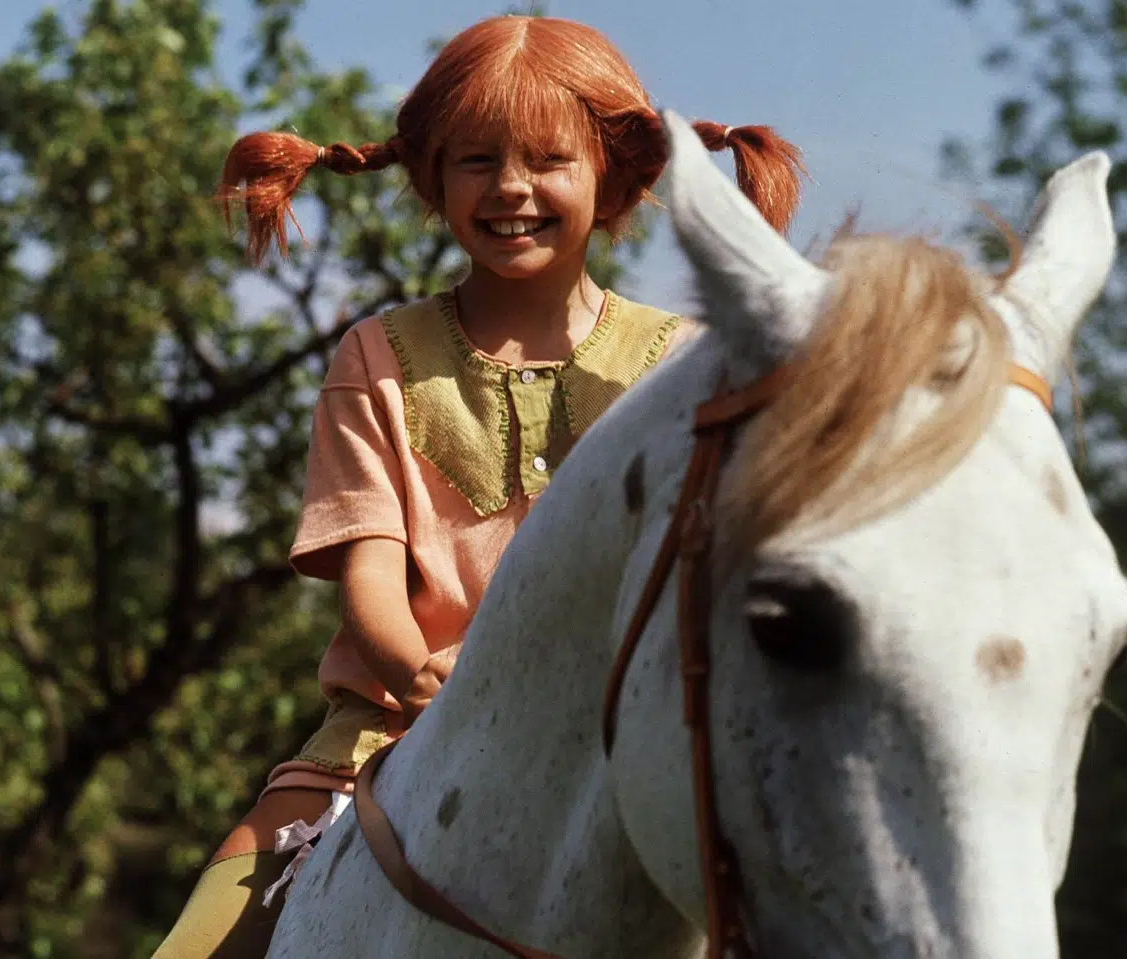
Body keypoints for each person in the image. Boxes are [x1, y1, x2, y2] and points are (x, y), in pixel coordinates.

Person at [152, 13, 805, 958]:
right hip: (384, 736)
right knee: (195, 948)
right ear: (432, 176)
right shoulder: (376, 357)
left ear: (613, 174)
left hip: (626, 747)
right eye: (476, 160)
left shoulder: (686, 367)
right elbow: (372, 579)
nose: (512, 188)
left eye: (549, 159)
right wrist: (420, 671)